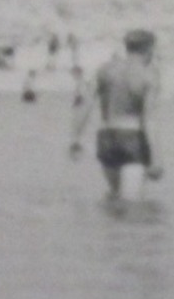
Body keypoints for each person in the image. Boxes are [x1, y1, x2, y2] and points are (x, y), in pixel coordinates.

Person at [69, 29, 164, 199]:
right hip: (132, 138)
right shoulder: (149, 75)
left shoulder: (105, 70)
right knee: (131, 204)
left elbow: (86, 105)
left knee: (114, 196)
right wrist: (156, 158)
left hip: (107, 137)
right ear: (149, 49)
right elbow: (149, 119)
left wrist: (75, 138)